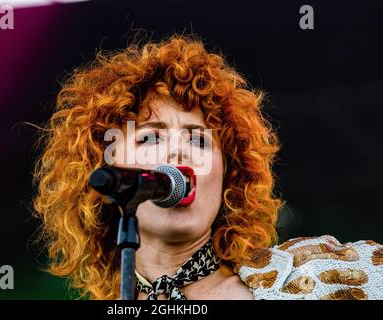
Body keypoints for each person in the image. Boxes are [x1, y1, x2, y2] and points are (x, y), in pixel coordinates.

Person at [32, 34, 383, 300]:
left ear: (230, 177)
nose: (177, 154)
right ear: (106, 175)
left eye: (198, 140)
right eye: (149, 139)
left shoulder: (314, 278)